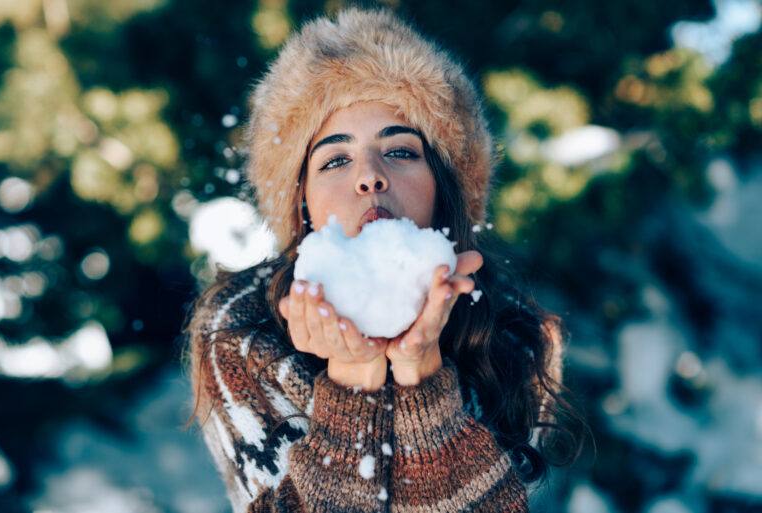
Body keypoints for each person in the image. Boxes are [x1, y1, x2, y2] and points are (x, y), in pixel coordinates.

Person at [185, 8, 581, 513]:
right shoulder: (238, 329)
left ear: (446, 186)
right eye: (335, 159)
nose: (369, 176)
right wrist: (353, 378)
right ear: (302, 200)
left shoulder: (516, 339)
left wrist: (421, 374)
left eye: (400, 151)